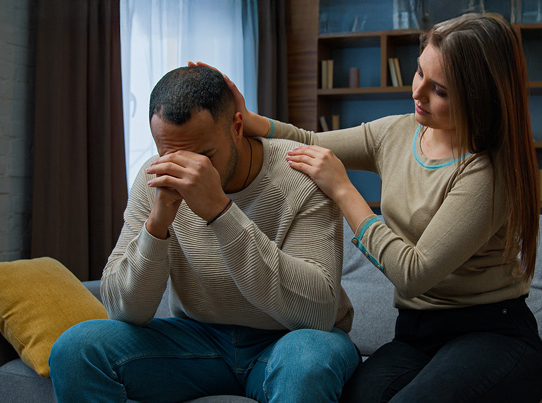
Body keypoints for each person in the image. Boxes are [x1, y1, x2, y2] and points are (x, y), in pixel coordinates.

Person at [209, 13, 542, 403]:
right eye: (419, 72)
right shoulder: (400, 132)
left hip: (493, 334)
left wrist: (344, 191)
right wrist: (248, 120)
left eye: (439, 90)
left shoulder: (487, 172)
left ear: (480, 98)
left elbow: (414, 273)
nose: (417, 93)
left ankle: (519, 387)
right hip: (416, 335)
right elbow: (310, 141)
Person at [48, 66, 359, 403]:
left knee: (307, 363)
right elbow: (125, 312)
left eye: (204, 155)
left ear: (237, 127)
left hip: (290, 340)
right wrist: (157, 224)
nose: (189, 169)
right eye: (171, 155)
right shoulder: (153, 176)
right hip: (199, 340)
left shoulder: (302, 173)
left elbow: (315, 313)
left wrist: (220, 212)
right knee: (75, 349)